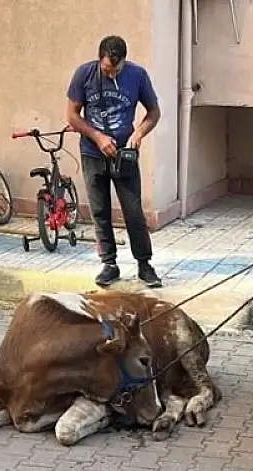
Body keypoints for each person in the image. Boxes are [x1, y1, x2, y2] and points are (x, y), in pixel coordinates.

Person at [66, 35, 163, 289]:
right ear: (101, 60)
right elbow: (72, 116)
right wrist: (97, 137)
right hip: (93, 153)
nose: (111, 75)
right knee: (100, 211)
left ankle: (144, 264)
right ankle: (109, 263)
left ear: (124, 62)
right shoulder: (84, 75)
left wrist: (138, 134)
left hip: (124, 154)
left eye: (116, 71)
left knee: (133, 211)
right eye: (108, 70)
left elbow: (154, 112)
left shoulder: (138, 76)